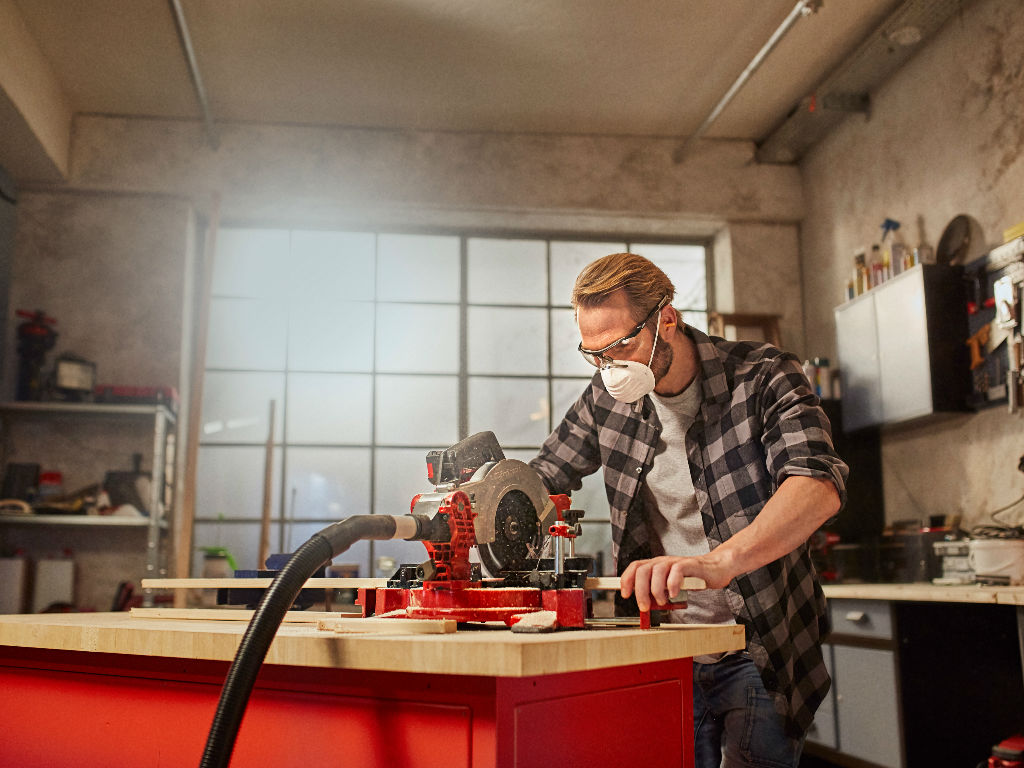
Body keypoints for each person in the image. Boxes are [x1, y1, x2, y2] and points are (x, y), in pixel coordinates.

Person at [530, 252, 847, 768]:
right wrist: (482, 498)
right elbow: (543, 477)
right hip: (666, 642)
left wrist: (720, 563)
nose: (610, 366)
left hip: (759, 638)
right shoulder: (605, 399)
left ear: (667, 319)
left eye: (621, 345)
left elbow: (815, 485)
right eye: (594, 354)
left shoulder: (764, 375)